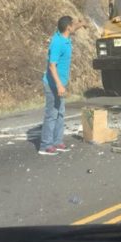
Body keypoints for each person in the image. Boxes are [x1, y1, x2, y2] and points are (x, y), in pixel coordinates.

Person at [39, 15, 80, 155]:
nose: (75, 26)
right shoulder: (57, 42)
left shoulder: (65, 38)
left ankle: (57, 142)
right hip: (52, 84)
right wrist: (59, 85)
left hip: (60, 83)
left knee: (60, 113)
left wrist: (82, 23)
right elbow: (52, 65)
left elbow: (75, 26)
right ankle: (45, 145)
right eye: (74, 24)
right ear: (68, 27)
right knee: (52, 114)